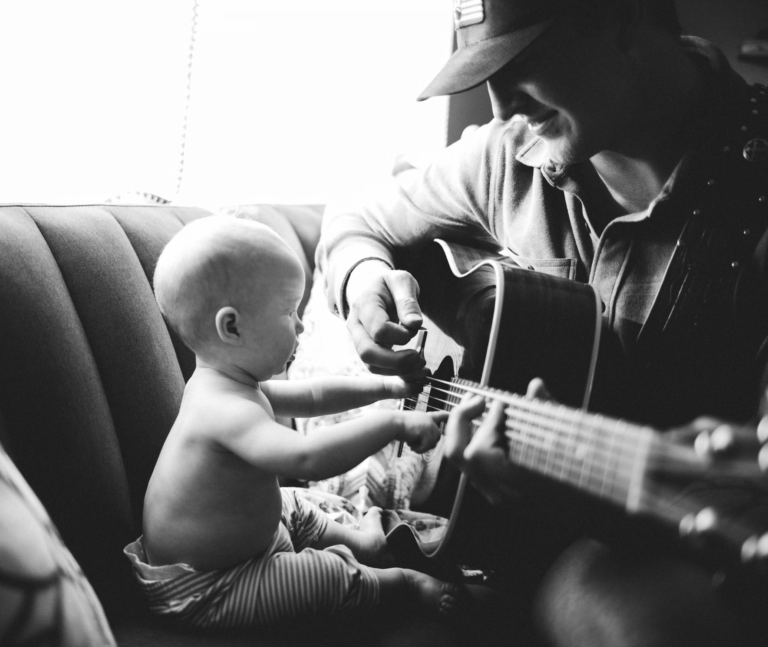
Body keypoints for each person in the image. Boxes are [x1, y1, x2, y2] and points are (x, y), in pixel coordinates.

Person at [316, 0, 768, 644]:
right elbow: (358, 220)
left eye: (521, 61)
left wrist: (566, 499)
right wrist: (364, 281)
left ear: (622, 18)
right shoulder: (507, 156)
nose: (501, 108)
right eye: (485, 76)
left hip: (669, 541)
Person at [123, 216, 458, 629]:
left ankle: (366, 544)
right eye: (289, 312)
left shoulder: (232, 383)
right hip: (211, 582)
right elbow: (306, 458)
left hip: (249, 541)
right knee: (325, 576)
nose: (300, 325)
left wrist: (389, 388)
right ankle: (401, 584)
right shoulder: (222, 409)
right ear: (232, 327)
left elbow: (314, 396)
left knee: (294, 505)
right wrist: (395, 426)